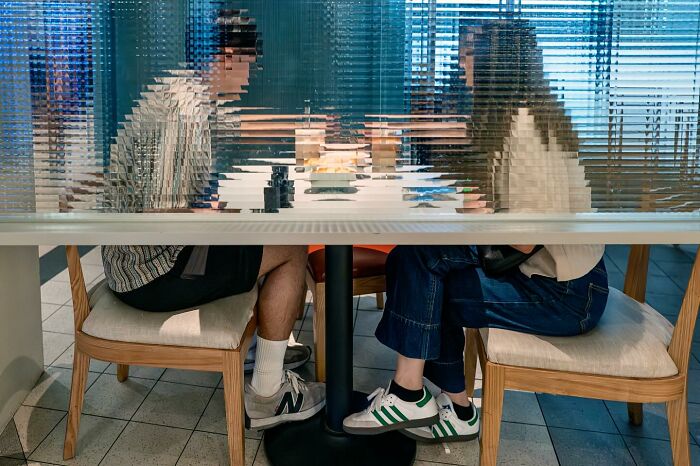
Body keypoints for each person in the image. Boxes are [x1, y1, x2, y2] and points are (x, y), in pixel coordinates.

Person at [343, 18, 609, 442]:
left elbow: (524, 238)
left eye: (467, 51)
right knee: (414, 261)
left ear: (495, 62)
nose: (460, 60)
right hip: (553, 274)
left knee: (421, 266)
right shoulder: (515, 113)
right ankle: (454, 407)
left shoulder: (525, 127)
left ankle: (411, 394)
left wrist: (474, 215)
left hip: (566, 294)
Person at [102, 9, 323, 430]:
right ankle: (267, 394)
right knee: (291, 247)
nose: (249, 75)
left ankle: (263, 346)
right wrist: (216, 216)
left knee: (262, 229)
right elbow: (156, 213)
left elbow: (241, 127)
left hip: (151, 257)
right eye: (248, 64)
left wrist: (305, 127)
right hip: (152, 274)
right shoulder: (179, 115)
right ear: (225, 57)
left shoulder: (192, 93)